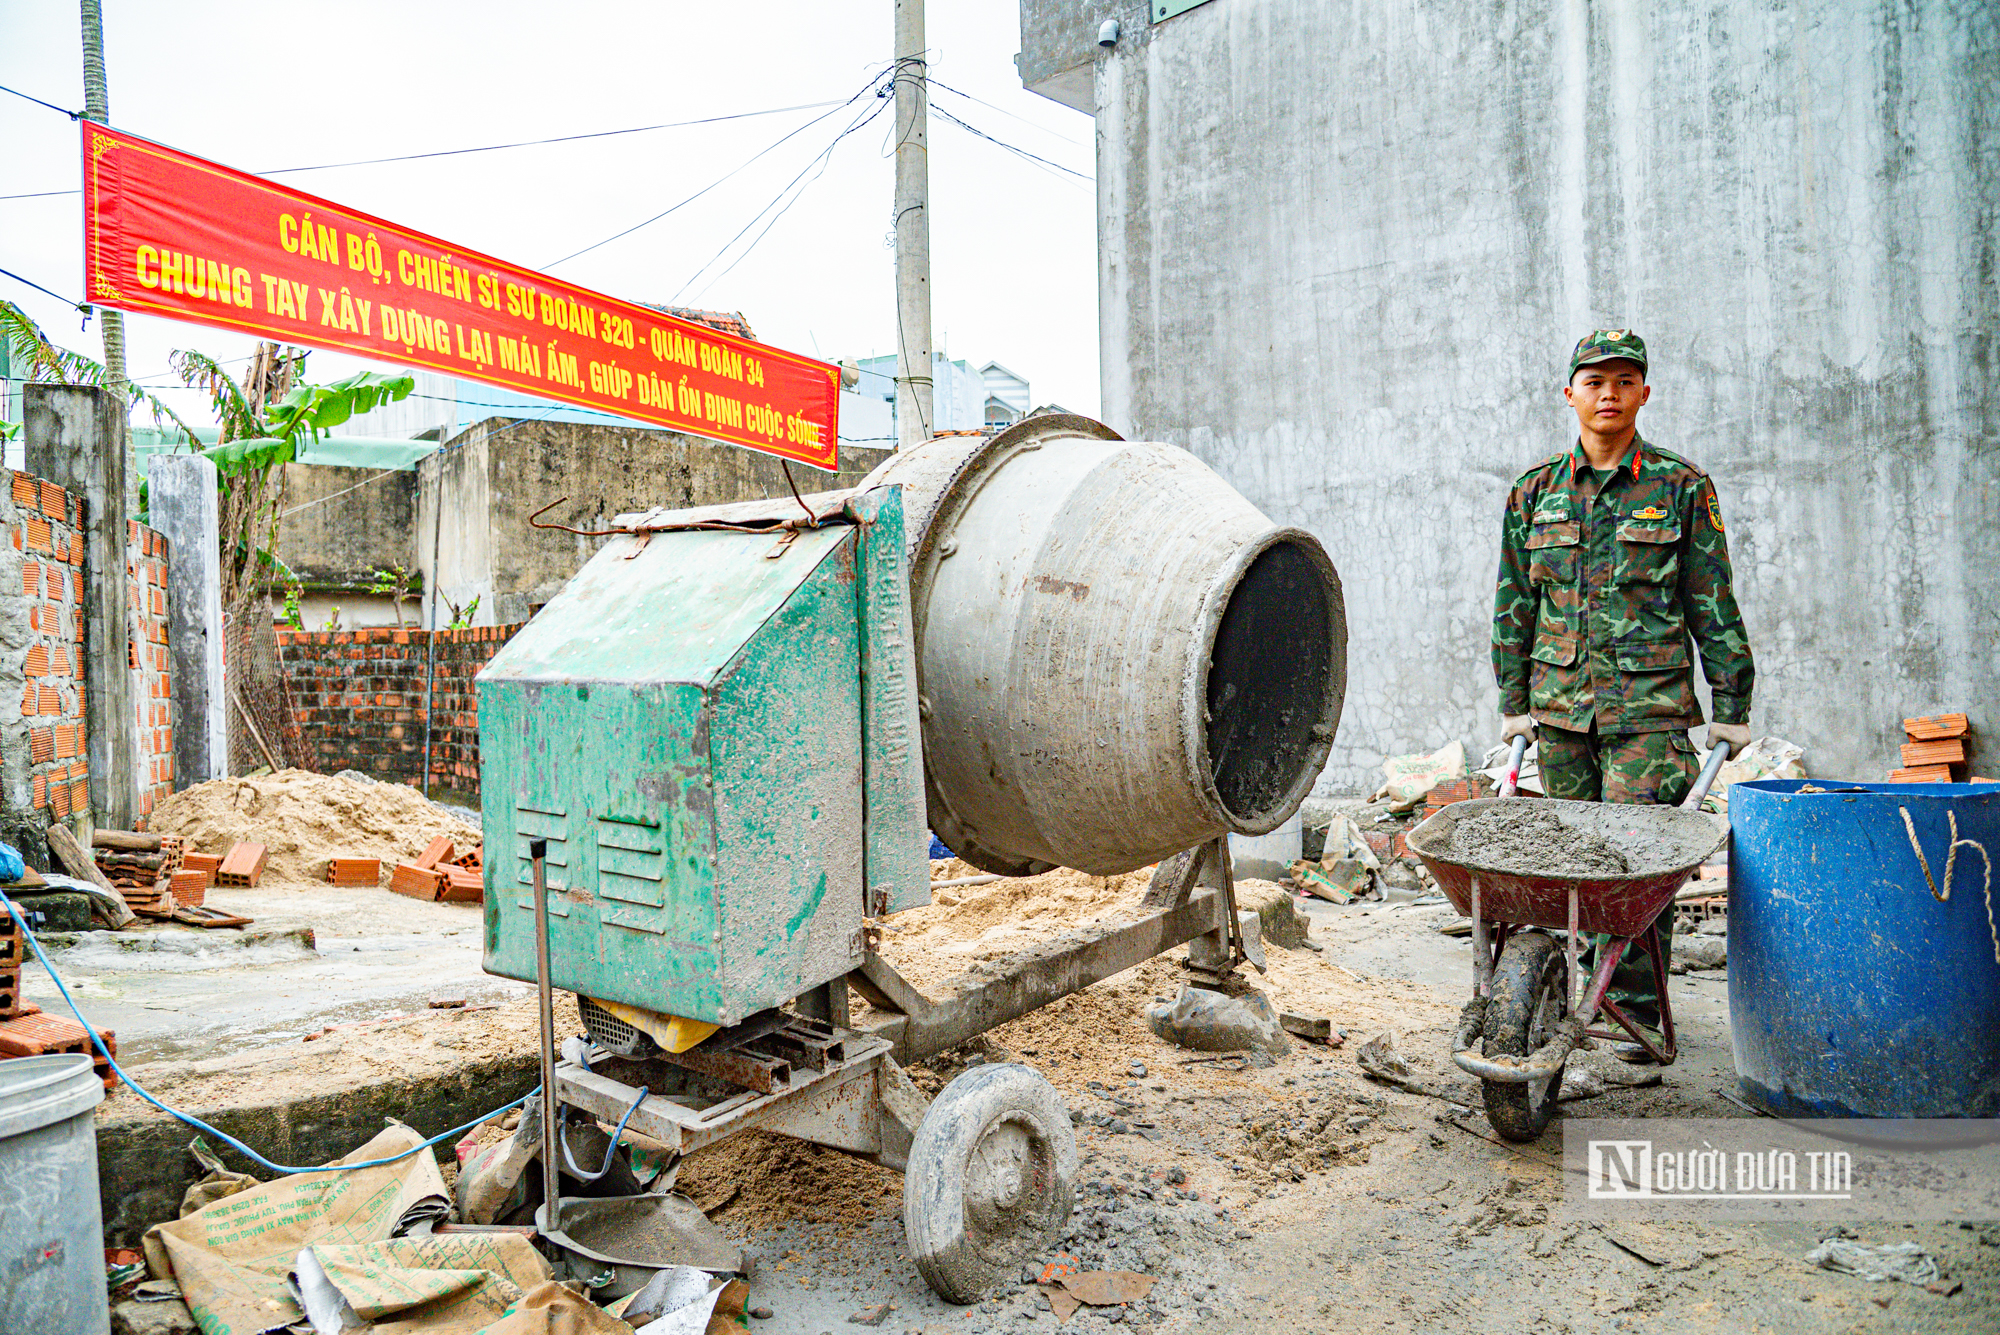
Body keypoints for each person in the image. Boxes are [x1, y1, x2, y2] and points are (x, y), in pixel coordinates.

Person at [1490, 329, 1754, 1060]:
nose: (1608, 392)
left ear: (1644, 392)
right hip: (1561, 709)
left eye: (1624, 380)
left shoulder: (1681, 486)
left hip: (1650, 712)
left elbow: (1711, 600)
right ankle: (1580, 992)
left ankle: (1633, 1013)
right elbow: (1514, 602)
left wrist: (1731, 705)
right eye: (1594, 380)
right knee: (1576, 862)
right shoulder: (1533, 492)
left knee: (1634, 864)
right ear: (1569, 392)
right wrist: (1514, 699)